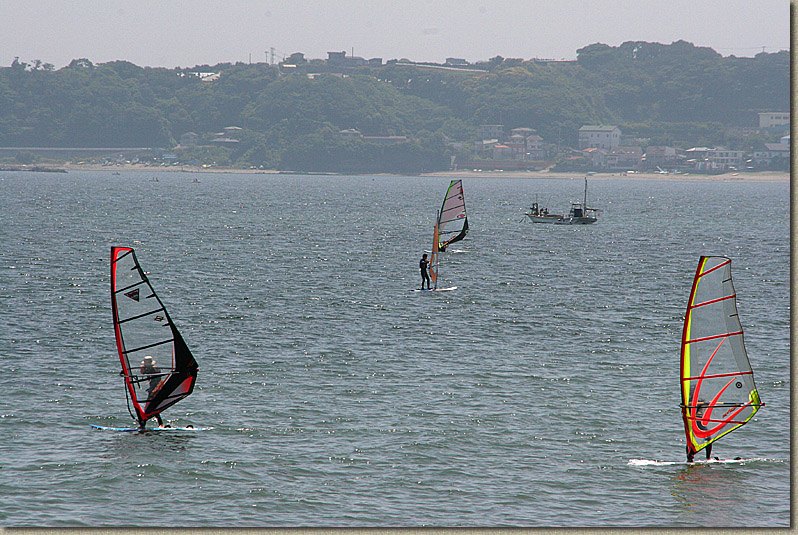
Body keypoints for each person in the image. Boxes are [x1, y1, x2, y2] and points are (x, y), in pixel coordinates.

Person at [140, 356, 165, 427]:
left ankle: (159, 424)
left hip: (157, 389)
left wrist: (143, 369)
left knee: (150, 406)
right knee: (150, 407)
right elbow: (143, 373)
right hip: (152, 389)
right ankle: (159, 424)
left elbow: (145, 372)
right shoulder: (149, 368)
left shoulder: (155, 369)